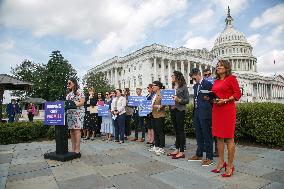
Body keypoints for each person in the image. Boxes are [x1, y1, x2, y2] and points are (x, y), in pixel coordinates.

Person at [211, 60, 241, 177]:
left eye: (220, 65)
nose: (218, 67)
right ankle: (221, 162)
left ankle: (230, 165)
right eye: (217, 66)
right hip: (216, 110)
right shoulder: (216, 81)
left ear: (226, 68)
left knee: (229, 138)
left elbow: (237, 94)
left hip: (227, 110)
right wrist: (212, 98)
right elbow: (216, 94)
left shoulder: (231, 79)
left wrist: (225, 99)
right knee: (218, 137)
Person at [188, 68, 214, 166]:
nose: (193, 80)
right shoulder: (195, 86)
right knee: (198, 135)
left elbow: (214, 96)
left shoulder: (208, 84)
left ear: (198, 75)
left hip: (205, 113)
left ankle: (209, 157)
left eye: (194, 78)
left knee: (207, 135)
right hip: (197, 112)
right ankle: (199, 154)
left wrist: (209, 98)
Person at [167, 71, 189, 159]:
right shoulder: (173, 87)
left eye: (173, 75)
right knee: (176, 130)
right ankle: (177, 148)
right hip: (173, 110)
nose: (171, 77)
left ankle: (182, 151)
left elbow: (187, 100)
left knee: (180, 131)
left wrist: (178, 99)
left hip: (180, 110)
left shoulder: (183, 86)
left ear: (177, 77)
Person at [66, 77, 85, 155]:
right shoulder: (69, 94)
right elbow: (67, 103)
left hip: (78, 113)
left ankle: (77, 148)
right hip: (70, 113)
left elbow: (82, 102)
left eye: (69, 83)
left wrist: (73, 104)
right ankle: (73, 148)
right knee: (72, 130)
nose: (68, 84)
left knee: (77, 130)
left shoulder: (79, 91)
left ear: (74, 83)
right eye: (67, 83)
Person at [203, 68, 219, 157]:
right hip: (206, 109)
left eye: (209, 75)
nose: (207, 76)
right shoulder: (203, 84)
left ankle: (217, 150)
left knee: (215, 129)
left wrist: (210, 98)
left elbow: (218, 97)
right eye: (205, 75)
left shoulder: (215, 83)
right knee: (207, 128)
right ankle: (207, 146)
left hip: (214, 108)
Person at [148, 81, 166, 156]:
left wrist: (157, 106)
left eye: (154, 85)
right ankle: (156, 145)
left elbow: (164, 104)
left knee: (160, 131)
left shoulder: (162, 93)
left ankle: (161, 147)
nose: (152, 87)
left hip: (160, 115)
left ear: (158, 86)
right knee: (155, 130)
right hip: (153, 114)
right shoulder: (154, 95)